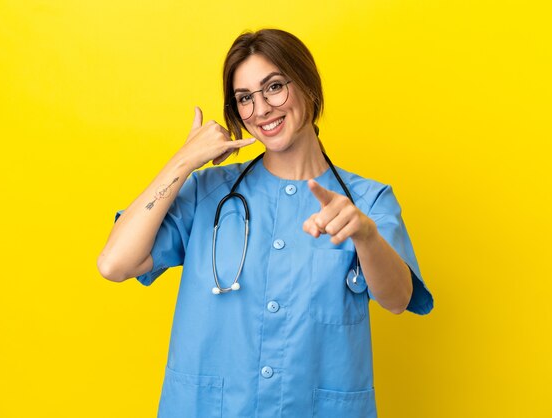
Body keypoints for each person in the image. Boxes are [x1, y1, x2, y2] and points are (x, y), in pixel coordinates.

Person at [97, 28, 433, 418]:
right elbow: (114, 264)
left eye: (274, 87)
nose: (261, 110)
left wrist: (366, 237)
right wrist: (184, 161)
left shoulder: (367, 202)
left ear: (308, 86)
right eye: (244, 99)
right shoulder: (209, 193)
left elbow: (398, 300)